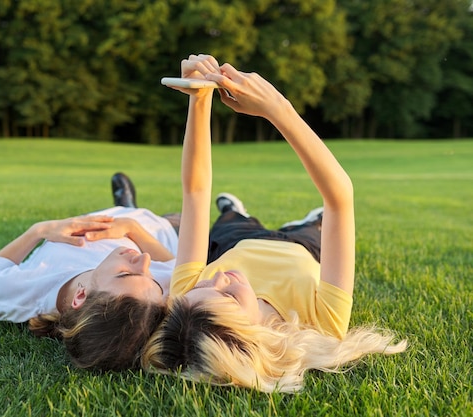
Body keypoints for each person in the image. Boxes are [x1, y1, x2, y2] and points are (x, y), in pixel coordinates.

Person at [142, 55, 407, 392]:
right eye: (230, 296)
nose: (217, 278)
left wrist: (199, 97)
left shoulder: (186, 300)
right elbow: (340, 198)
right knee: (319, 224)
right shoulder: (322, 325)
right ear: (253, 336)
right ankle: (309, 221)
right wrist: (277, 108)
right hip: (304, 249)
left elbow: (195, 191)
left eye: (203, 287)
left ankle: (234, 210)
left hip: (236, 241)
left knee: (230, 220)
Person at [0, 173, 179, 371]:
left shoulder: (22, 292)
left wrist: (39, 230)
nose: (145, 260)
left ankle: (128, 206)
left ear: (81, 295)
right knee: (176, 221)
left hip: (106, 218)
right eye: (150, 276)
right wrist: (133, 228)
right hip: (152, 231)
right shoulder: (147, 297)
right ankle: (132, 208)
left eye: (125, 274)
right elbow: (172, 263)